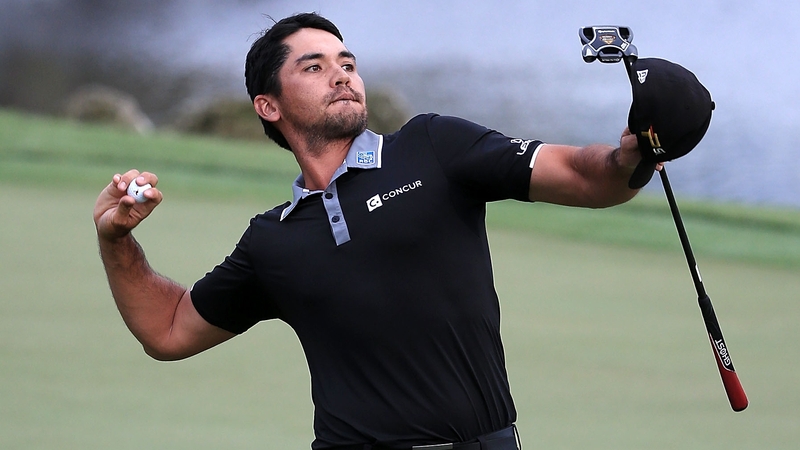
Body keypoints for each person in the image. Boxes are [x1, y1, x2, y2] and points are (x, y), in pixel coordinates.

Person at [93, 12, 653, 450]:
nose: (341, 74)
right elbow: (167, 330)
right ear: (268, 105)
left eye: (347, 62)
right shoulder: (273, 241)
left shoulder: (433, 146)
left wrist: (634, 154)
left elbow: (588, 176)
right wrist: (116, 241)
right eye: (313, 67)